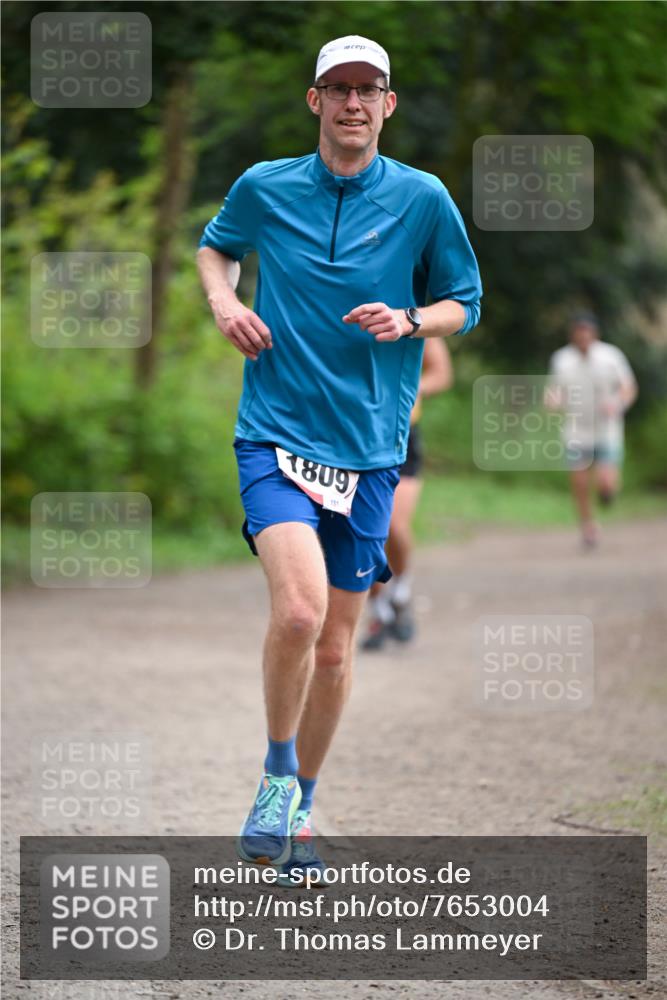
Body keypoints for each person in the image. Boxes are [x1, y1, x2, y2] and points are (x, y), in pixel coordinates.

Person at [197, 34, 482, 883]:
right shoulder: (265, 185)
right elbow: (216, 247)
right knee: (297, 615)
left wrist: (410, 321)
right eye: (338, 88)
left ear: (388, 105)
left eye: (370, 89)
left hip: (370, 446)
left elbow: (462, 302)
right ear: (314, 100)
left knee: (332, 650)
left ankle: (302, 811)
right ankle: (276, 779)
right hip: (276, 432)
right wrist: (223, 299)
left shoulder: (423, 199)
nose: (353, 102)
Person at [362, 338, 453, 650]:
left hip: (400, 436)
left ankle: (400, 590)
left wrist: (408, 388)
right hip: (355, 433)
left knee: (393, 526)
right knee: (366, 530)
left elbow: (441, 372)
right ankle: (378, 612)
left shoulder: (416, 317)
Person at [547, 313, 637, 548]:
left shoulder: (611, 356)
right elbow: (555, 390)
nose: (583, 337)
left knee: (606, 481)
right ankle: (588, 526)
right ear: (573, 335)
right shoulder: (561, 359)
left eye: (587, 333)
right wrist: (553, 401)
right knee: (579, 480)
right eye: (579, 333)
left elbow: (628, 387)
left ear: (594, 334)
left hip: (607, 429)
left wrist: (618, 404)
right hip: (576, 430)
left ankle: (607, 492)